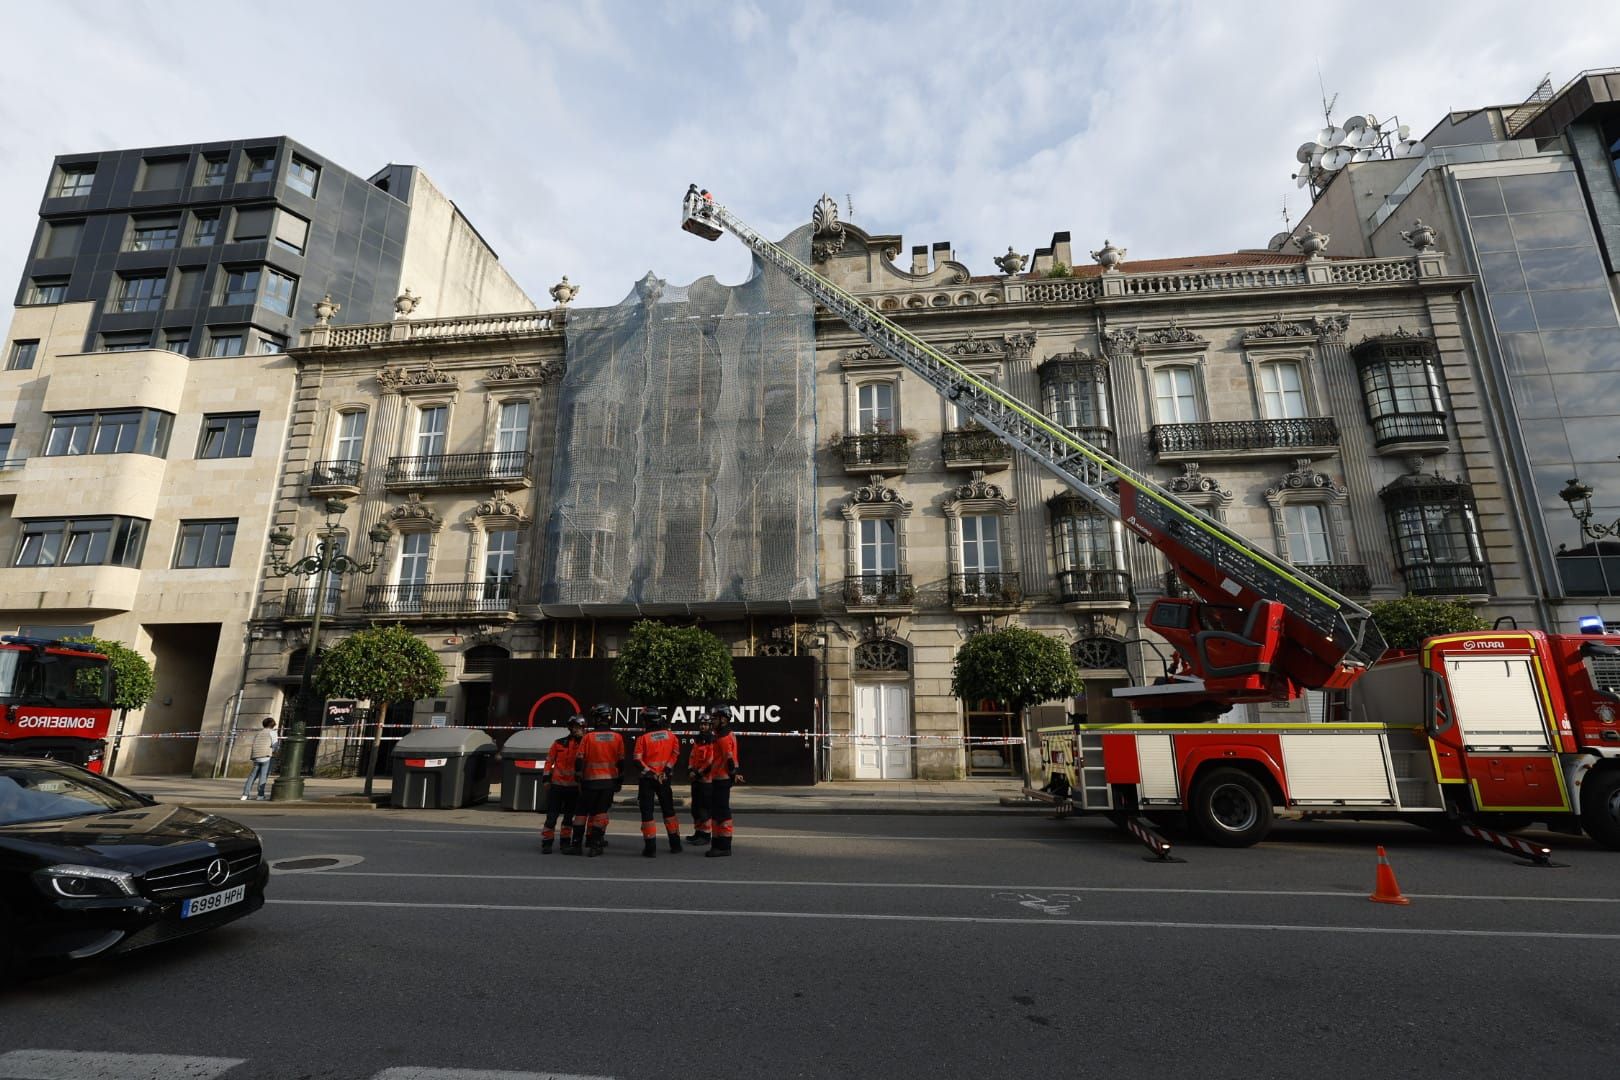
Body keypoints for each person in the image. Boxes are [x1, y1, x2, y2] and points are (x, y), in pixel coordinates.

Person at [571, 703, 625, 857]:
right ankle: (595, 845)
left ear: (596, 719)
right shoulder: (617, 737)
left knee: (581, 813)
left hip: (589, 782)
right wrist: (620, 780)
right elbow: (621, 761)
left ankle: (576, 845)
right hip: (608, 782)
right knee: (600, 813)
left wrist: (578, 774)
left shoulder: (588, 737)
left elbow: (579, 759)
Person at [632, 707, 682, 857]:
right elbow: (675, 754)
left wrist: (652, 773)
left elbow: (637, 760)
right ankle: (676, 845)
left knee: (647, 813)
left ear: (648, 721)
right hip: (664, 779)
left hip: (648, 780)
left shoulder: (643, 739)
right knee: (669, 811)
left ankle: (650, 848)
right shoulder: (671, 736)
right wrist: (665, 771)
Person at [541, 716, 584, 854]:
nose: (578, 730)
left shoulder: (585, 744)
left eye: (580, 727)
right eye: (576, 727)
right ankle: (547, 843)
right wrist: (546, 780)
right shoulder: (558, 743)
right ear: (570, 727)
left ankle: (565, 843)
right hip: (557, 786)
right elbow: (548, 762)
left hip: (573, 787)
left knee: (568, 817)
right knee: (551, 816)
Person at [703, 706, 742, 858]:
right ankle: (718, 843)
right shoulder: (726, 734)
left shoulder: (723, 737)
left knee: (722, 812)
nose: (712, 721)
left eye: (715, 718)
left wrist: (733, 774)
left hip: (721, 779)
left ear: (723, 719)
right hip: (720, 778)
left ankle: (724, 846)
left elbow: (729, 758)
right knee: (718, 812)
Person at [685, 712, 717, 846]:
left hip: (706, 780)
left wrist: (698, 773)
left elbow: (710, 761)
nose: (703, 727)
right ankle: (698, 832)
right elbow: (692, 756)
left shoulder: (712, 740)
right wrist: (690, 770)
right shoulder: (698, 739)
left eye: (705, 724)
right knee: (696, 808)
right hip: (696, 780)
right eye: (701, 724)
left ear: (710, 726)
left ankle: (705, 835)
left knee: (705, 808)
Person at [240, 718, 278, 801]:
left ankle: (245, 795)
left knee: (252, 776)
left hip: (256, 756)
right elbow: (275, 745)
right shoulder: (273, 732)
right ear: (273, 725)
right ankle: (260, 795)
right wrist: (274, 752)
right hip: (266, 755)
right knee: (263, 776)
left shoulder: (259, 733)